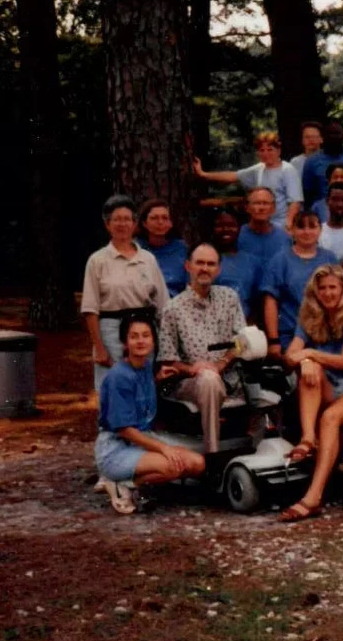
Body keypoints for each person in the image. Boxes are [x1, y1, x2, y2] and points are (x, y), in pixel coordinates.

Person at [280, 264, 343, 521]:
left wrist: (309, 354)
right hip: (325, 386)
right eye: (323, 288)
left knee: (330, 418)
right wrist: (306, 361)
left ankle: (313, 497)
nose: (328, 293)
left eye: (333, 287)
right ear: (315, 292)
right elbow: (289, 358)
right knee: (310, 369)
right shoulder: (309, 316)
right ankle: (308, 438)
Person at [95, 315, 205, 514]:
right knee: (173, 466)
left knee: (198, 463)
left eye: (146, 336)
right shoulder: (118, 376)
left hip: (142, 440)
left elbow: (138, 396)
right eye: (134, 336)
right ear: (125, 342)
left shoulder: (145, 367)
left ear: (153, 340)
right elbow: (124, 429)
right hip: (116, 448)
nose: (140, 341)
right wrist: (163, 448)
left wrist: (157, 380)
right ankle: (125, 485)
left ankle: (134, 481)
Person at [157, 243, 247, 454]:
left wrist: (221, 363)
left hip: (231, 378)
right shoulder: (173, 308)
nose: (205, 268)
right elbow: (168, 360)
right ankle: (212, 453)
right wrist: (194, 369)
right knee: (207, 379)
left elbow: (242, 341)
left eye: (211, 264)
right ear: (188, 266)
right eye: (200, 263)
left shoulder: (229, 298)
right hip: (190, 383)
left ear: (218, 269)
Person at [82, 195, 170, 390]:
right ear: (107, 225)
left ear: (134, 223)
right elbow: (90, 309)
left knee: (142, 386)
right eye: (116, 219)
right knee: (112, 387)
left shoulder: (148, 259)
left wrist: (165, 345)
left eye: (127, 219)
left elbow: (163, 305)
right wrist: (99, 347)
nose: (122, 224)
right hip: (111, 332)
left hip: (143, 332)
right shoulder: (97, 261)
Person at [261, 210, 339, 359]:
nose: (307, 231)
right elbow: (270, 301)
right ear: (292, 231)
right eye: (301, 227)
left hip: (326, 334)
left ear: (320, 230)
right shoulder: (280, 260)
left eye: (312, 226)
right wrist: (273, 340)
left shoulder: (330, 257)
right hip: (290, 334)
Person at [193, 131, 301, 232]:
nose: (266, 153)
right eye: (262, 150)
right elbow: (233, 176)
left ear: (278, 150)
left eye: (270, 149)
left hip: (281, 225)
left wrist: (289, 225)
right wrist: (203, 174)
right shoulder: (258, 169)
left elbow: (295, 202)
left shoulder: (287, 170)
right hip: (261, 223)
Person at [300, 121, 343, 209]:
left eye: (337, 133)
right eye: (330, 134)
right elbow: (308, 193)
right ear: (323, 136)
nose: (333, 137)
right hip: (323, 211)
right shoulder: (312, 161)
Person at [209, 207, 262, 320]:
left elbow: (258, 302)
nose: (226, 229)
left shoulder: (252, 262)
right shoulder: (205, 260)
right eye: (220, 225)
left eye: (232, 225)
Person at [136, 199, 188, 296]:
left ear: (171, 223)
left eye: (165, 218)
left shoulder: (182, 249)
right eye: (154, 218)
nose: (160, 222)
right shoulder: (134, 249)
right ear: (144, 223)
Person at [236, 186, 292, 263]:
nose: (261, 207)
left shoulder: (284, 238)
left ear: (274, 208)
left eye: (266, 203)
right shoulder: (237, 236)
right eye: (257, 203)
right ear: (247, 207)